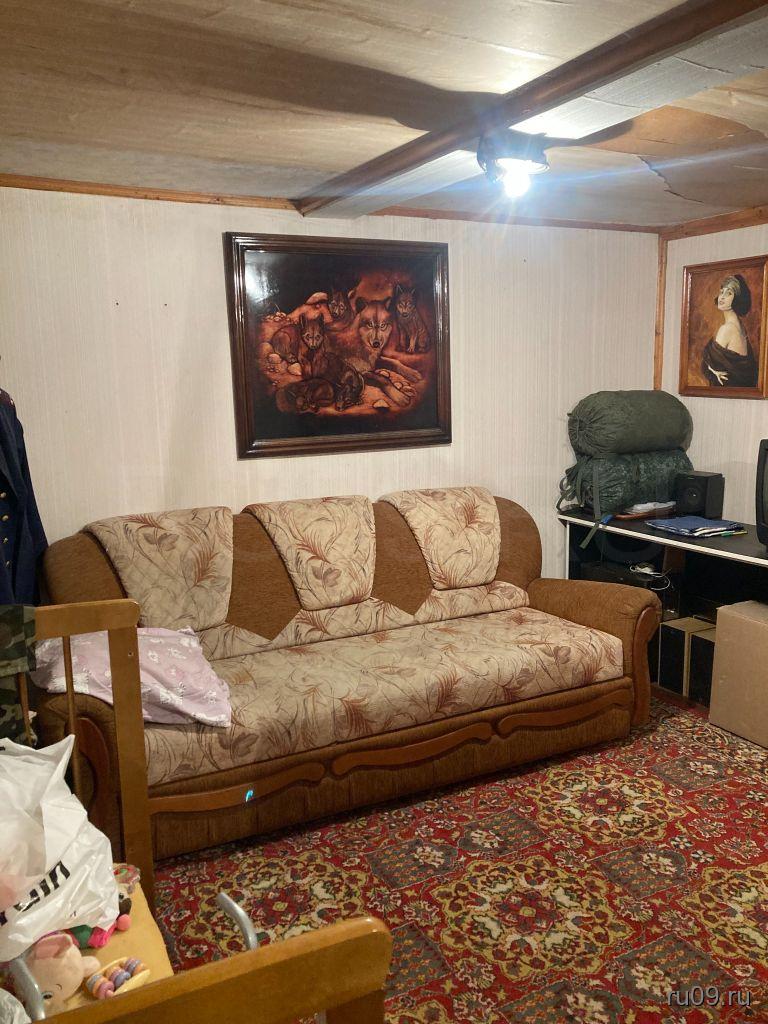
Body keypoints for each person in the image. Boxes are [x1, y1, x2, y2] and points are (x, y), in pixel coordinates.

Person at [701, 275, 758, 388]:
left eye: (729, 293)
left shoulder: (727, 329)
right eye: (722, 292)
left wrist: (710, 368)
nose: (722, 297)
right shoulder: (740, 326)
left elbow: (708, 365)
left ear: (737, 299)